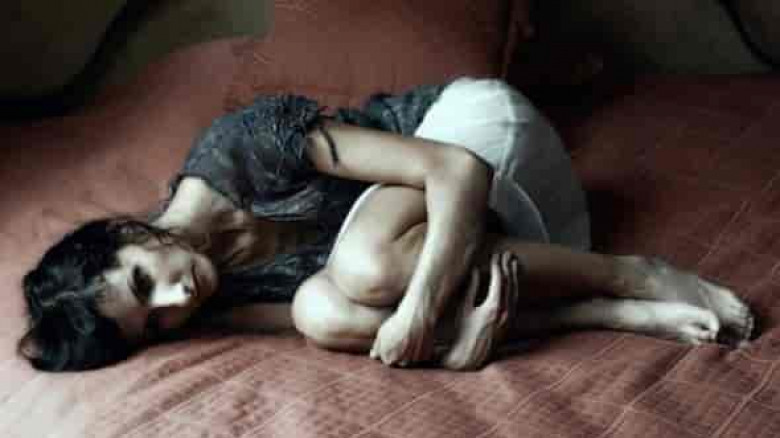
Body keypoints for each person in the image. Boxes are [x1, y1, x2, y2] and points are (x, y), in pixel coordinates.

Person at [17, 78, 754, 372]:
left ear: (126, 235)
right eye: (154, 323)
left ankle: (634, 273)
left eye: (143, 282)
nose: (176, 301)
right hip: (492, 252)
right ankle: (602, 309)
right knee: (318, 311)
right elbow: (363, 323)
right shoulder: (207, 306)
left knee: (365, 268)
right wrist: (455, 350)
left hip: (479, 144)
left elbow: (456, 171)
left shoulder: (244, 149)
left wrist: (423, 312)